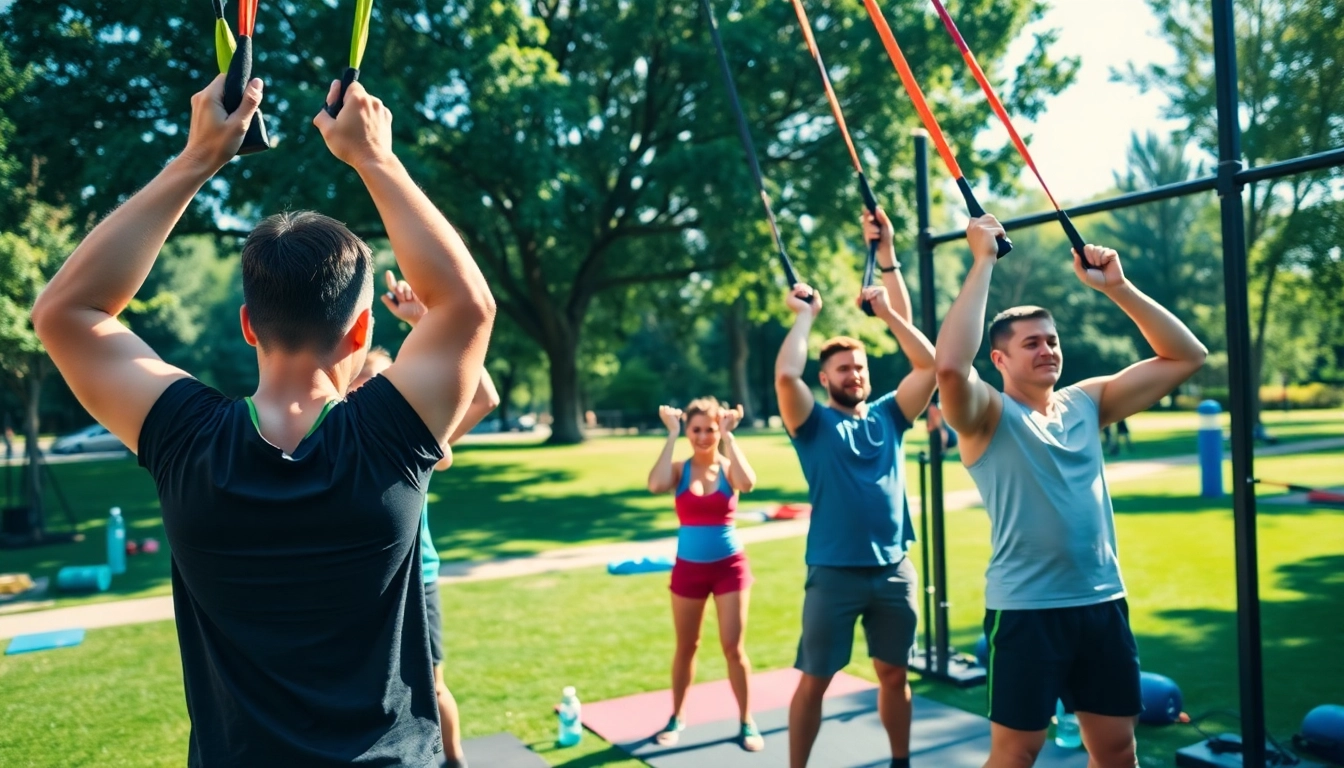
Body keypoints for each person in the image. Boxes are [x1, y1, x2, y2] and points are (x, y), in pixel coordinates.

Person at [32, 75, 495, 766]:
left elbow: (66, 313)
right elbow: (464, 303)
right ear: (362, 327)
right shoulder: (386, 439)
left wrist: (197, 158)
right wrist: (374, 157)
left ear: (248, 324)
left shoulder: (188, 438)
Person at [933, 215, 1206, 768]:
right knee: (1016, 755)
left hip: (1102, 601)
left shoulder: (1087, 402)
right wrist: (982, 259)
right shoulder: (988, 414)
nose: (1048, 350)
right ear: (1001, 360)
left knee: (1116, 750)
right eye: (1031, 343)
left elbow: (1187, 356)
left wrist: (1119, 288)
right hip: (1028, 609)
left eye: (1052, 341)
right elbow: (949, 367)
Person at [776, 208, 938, 768]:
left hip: (895, 569)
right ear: (826, 378)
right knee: (815, 680)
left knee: (894, 673)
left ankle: (900, 762)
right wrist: (805, 318)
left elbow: (930, 363)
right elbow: (784, 377)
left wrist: (889, 310)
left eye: (860, 366)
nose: (855, 374)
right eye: (843, 369)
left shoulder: (891, 414)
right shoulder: (812, 423)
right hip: (834, 572)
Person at [350, 270, 502, 768]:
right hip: (366, 583)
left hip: (418, 578)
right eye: (361, 388)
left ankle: (455, 762)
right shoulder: (339, 442)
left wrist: (422, 323)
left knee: (431, 686)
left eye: (379, 388)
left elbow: (484, 399)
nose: (371, 398)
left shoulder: (413, 439)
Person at [646, 398, 763, 752]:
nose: (702, 436)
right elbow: (654, 484)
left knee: (733, 647)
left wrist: (730, 437)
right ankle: (677, 716)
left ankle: (746, 719)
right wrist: (671, 435)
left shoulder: (728, 469)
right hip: (688, 571)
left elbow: (749, 483)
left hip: (729, 569)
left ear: (718, 429)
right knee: (687, 646)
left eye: (709, 429)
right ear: (688, 431)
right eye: (695, 430)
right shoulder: (679, 470)